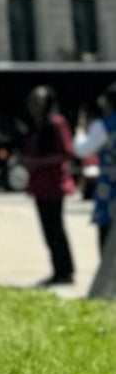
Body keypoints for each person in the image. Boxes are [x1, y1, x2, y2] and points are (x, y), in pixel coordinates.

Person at [21, 86, 76, 286]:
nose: (34, 106)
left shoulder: (56, 123)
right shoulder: (36, 126)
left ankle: (65, 271)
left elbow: (66, 152)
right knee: (48, 231)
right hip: (39, 186)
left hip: (53, 184)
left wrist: (38, 162)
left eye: (38, 101)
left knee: (55, 229)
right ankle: (58, 269)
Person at [74, 83, 116, 258]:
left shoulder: (103, 125)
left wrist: (80, 132)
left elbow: (82, 150)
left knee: (107, 234)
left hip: (110, 188)